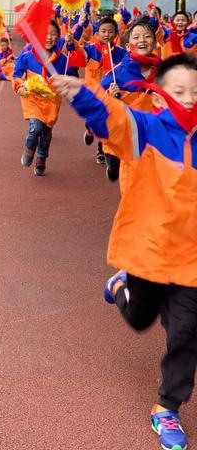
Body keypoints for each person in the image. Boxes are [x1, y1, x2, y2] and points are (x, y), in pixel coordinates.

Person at [52, 53, 197, 450]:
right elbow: (112, 117)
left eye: (196, 91)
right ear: (158, 97)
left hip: (191, 261)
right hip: (147, 250)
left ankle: (167, 407)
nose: (188, 98)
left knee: (186, 331)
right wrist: (83, 94)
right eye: (178, 90)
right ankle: (120, 286)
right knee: (139, 319)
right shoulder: (146, 129)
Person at [100, 20, 160, 184]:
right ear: (128, 46)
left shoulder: (163, 72)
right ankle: (113, 160)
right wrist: (110, 96)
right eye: (137, 37)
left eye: (147, 36)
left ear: (154, 43)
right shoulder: (117, 73)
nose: (142, 40)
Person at [14, 21, 69, 176]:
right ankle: (30, 146)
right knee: (36, 127)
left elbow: (70, 73)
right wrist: (20, 85)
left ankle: (42, 157)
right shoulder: (27, 56)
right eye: (44, 33)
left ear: (58, 36)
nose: (49, 37)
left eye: (53, 34)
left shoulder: (63, 58)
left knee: (46, 132)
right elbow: (16, 75)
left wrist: (65, 84)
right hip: (33, 97)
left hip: (52, 100)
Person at [75, 16, 127, 163]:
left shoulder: (121, 54)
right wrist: (78, 28)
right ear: (98, 33)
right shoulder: (90, 50)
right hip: (92, 95)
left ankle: (101, 150)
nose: (107, 35)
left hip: (111, 94)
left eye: (110, 31)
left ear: (116, 34)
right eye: (103, 31)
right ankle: (90, 130)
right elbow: (74, 48)